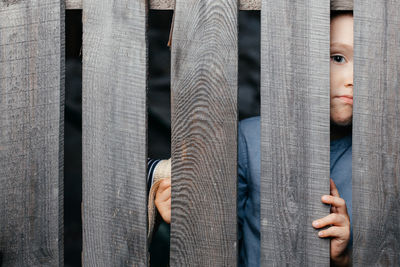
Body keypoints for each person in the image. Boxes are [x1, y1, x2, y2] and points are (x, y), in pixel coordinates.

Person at [148, 11, 353, 267]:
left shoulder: (384, 159)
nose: (352, 79)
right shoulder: (250, 138)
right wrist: (186, 219)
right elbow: (220, 236)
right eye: (337, 58)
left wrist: (345, 258)